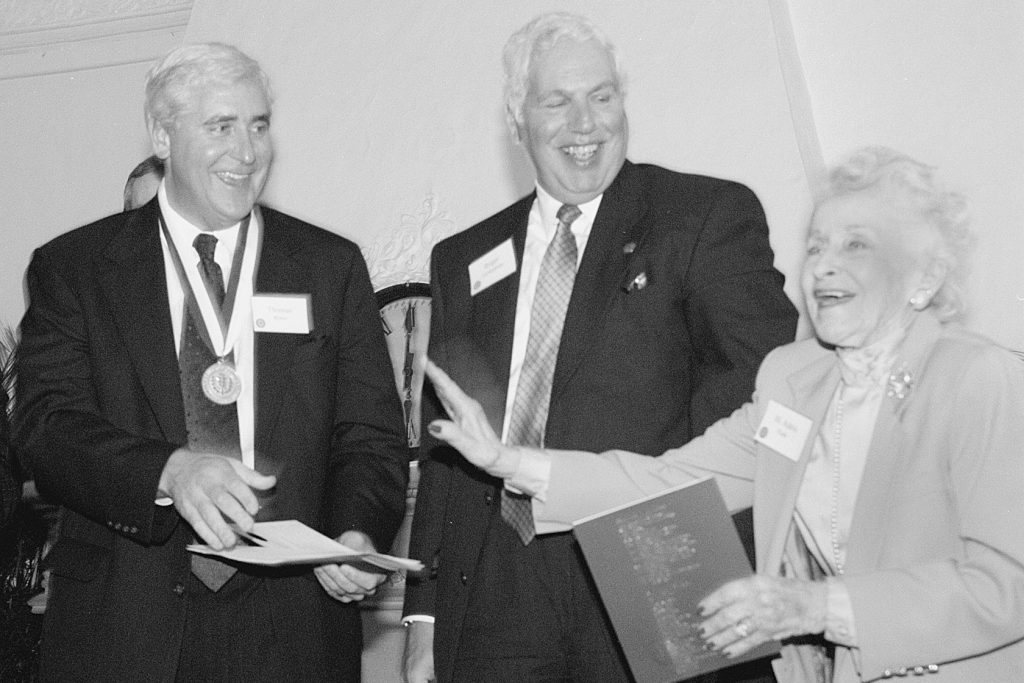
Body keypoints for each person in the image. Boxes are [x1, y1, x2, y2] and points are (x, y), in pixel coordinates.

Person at [425, 146, 1024, 681]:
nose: (823, 264)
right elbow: (673, 481)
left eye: (856, 245)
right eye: (815, 245)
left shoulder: (976, 379)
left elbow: (1009, 586)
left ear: (925, 276)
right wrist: (512, 462)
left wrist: (817, 606)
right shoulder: (794, 381)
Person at [402, 12, 798, 683]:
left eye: (602, 96)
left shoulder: (703, 216)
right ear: (516, 116)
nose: (585, 125)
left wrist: (682, 530)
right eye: (557, 101)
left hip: (653, 568)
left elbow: (763, 393)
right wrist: (425, 619)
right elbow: (446, 442)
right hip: (496, 592)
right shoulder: (464, 257)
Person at [12, 42, 409, 682]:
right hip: (125, 626)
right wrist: (167, 471)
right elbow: (47, 428)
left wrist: (357, 532)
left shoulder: (328, 266)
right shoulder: (76, 269)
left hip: (293, 628)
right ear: (163, 136)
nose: (248, 152)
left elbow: (369, 436)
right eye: (221, 127)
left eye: (257, 126)